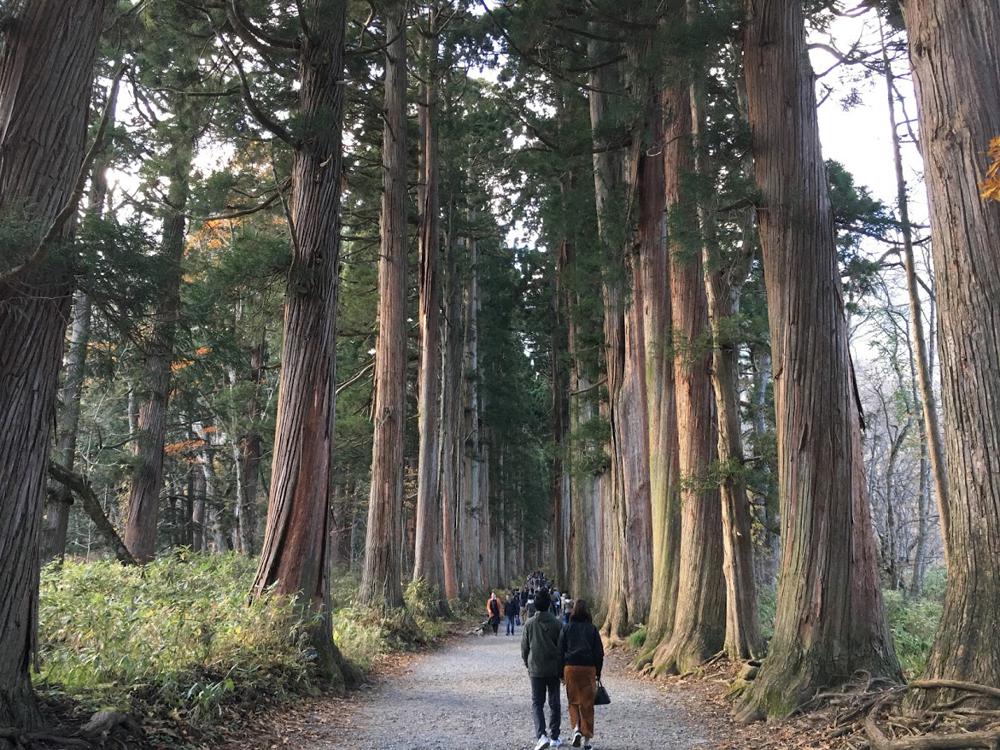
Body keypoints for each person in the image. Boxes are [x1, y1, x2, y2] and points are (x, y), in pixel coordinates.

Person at [558, 599, 603, 750]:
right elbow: (599, 653)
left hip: (570, 667)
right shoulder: (592, 629)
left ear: (573, 611)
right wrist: (598, 672)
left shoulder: (567, 628)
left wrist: (560, 673)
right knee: (587, 704)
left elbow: (560, 651)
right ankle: (587, 741)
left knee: (573, 701)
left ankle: (576, 728)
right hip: (588, 668)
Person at [521, 589, 563, 749]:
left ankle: (541, 735)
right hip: (553, 668)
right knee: (554, 702)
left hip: (536, 668)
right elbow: (562, 648)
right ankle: (555, 736)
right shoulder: (557, 623)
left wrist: (528, 663)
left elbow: (524, 648)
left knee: (537, 703)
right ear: (549, 604)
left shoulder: (529, 624)